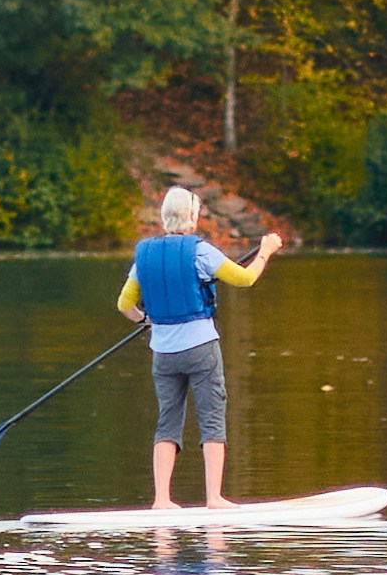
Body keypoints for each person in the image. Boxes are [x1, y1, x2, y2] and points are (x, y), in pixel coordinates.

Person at [117, 185, 282, 510]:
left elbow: (124, 304)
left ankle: (162, 500)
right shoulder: (200, 251)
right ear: (191, 216)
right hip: (201, 349)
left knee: (168, 420)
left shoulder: (145, 254)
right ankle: (214, 498)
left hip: (163, 354)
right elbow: (245, 278)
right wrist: (266, 251)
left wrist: (145, 321)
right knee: (211, 419)